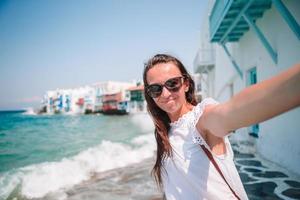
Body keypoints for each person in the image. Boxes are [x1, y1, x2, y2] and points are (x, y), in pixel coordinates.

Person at [142, 54, 300, 200]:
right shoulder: (165, 130)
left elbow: (230, 112)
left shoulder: (200, 119)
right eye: (156, 89)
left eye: (172, 83)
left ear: (186, 84)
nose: (165, 94)